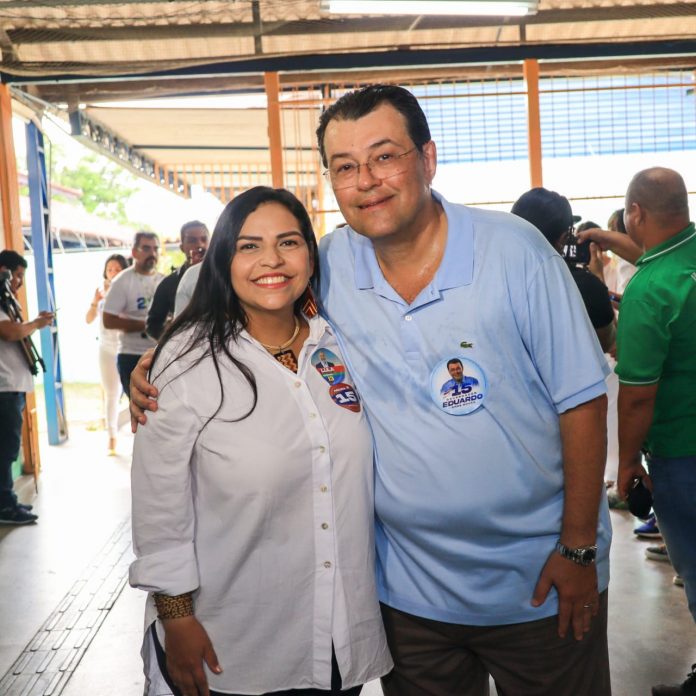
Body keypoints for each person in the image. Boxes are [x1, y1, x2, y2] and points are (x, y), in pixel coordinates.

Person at [131, 85, 611, 695]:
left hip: (538, 585)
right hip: (407, 598)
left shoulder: (516, 254)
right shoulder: (332, 266)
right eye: (345, 167)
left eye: (385, 157)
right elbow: (254, 298)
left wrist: (576, 550)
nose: (367, 181)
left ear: (427, 159)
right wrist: (166, 358)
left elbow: (583, 402)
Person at [129, 186, 392, 696]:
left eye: (288, 242)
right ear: (224, 258)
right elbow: (159, 507)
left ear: (310, 257)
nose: (271, 259)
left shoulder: (336, 344)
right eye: (249, 246)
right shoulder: (187, 363)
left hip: (336, 636)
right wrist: (177, 619)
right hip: (234, 645)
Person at [614, 167, 696, 696]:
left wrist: (626, 463)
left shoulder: (648, 293)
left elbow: (638, 394)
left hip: (682, 452)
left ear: (637, 214)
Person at [512, 187, 616, 353]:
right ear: (563, 238)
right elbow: (608, 343)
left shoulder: (493, 279)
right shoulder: (585, 286)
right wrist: (598, 278)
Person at [0, 250, 53, 525]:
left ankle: (7, 501)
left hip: (12, 386)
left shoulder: (7, 301)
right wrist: (36, 324)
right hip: (4, 387)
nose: (18, 282)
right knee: (5, 449)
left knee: (7, 448)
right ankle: (4, 505)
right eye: (17, 276)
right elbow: (10, 332)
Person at [103, 231, 164, 397]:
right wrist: (147, 325)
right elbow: (108, 320)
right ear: (134, 252)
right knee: (141, 413)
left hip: (161, 355)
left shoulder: (164, 281)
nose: (152, 253)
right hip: (132, 355)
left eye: (155, 249)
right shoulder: (122, 281)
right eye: (146, 248)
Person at [85, 253, 128, 454]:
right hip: (106, 348)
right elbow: (88, 319)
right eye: (110, 269)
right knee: (111, 394)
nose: (113, 272)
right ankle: (112, 436)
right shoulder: (101, 292)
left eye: (117, 269)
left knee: (131, 393)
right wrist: (95, 301)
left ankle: (137, 430)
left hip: (127, 348)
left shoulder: (130, 290)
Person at [146, 220, 209, 340]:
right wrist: (172, 338)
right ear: (182, 247)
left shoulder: (225, 277)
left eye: (204, 239)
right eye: (192, 240)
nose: (200, 245)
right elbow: (153, 324)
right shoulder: (169, 283)